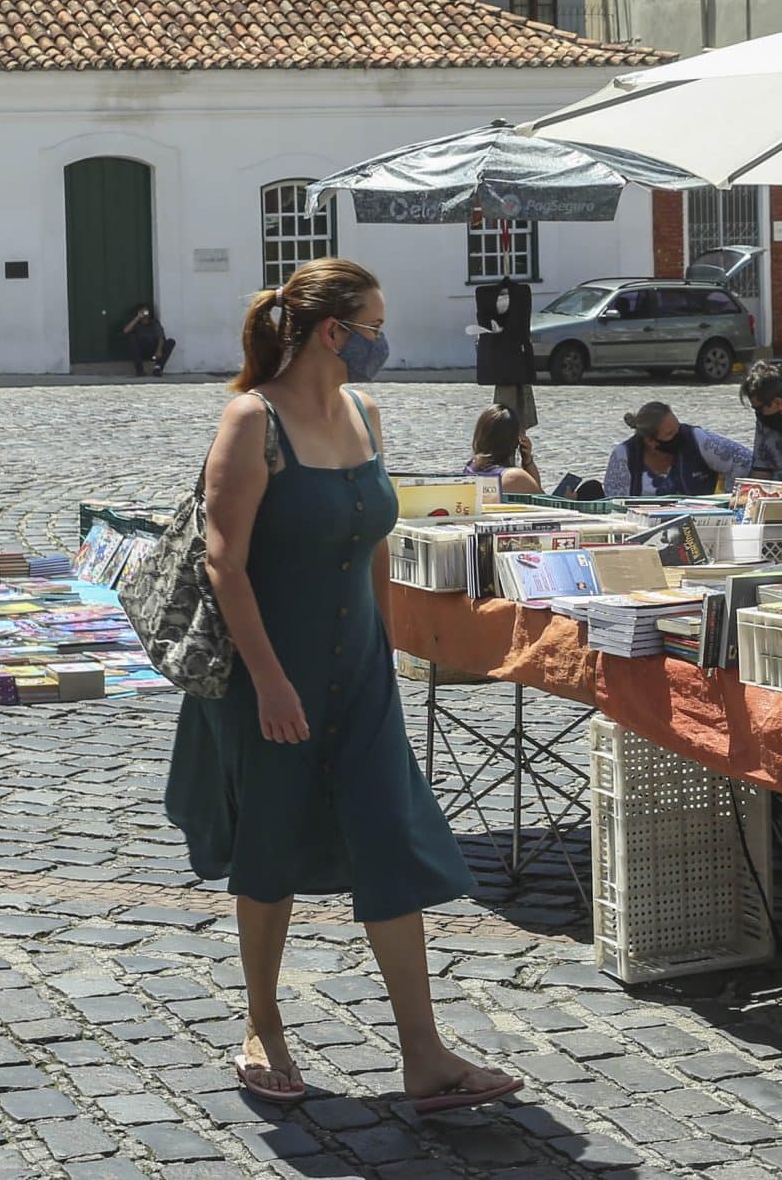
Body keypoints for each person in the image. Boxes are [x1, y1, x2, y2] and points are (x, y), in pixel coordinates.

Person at [163, 258, 520, 1115]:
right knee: (271, 845)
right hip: (268, 674)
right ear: (335, 332)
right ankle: (262, 1024)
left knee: (386, 839)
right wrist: (271, 681)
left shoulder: (365, 411)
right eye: (373, 326)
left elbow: (372, 540)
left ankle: (424, 1055)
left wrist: (389, 644)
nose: (381, 342)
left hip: (358, 668)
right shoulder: (252, 420)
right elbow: (225, 563)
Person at [603, 401, 753, 498]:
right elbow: (614, 503)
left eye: (678, 427)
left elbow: (745, 459)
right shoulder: (624, 456)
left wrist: (728, 497)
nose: (678, 435)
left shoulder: (696, 438)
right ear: (651, 441)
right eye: (669, 434)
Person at [474, 277, 536, 432]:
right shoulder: (490, 309)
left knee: (517, 414)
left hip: (516, 366)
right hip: (504, 370)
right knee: (506, 415)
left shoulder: (518, 302)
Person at [464, 404, 541, 498]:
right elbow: (544, 502)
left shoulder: (471, 467)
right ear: (515, 441)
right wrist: (528, 461)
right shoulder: (515, 477)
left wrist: (527, 461)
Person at [122, 302, 178, 376]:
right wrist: (137, 317)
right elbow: (126, 331)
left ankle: (158, 369)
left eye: (146, 311)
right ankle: (140, 370)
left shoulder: (154, 323)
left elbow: (161, 337)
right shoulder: (136, 324)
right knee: (132, 339)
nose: (144, 314)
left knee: (171, 342)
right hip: (141, 351)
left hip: (154, 350)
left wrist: (159, 350)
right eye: (142, 311)